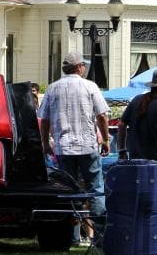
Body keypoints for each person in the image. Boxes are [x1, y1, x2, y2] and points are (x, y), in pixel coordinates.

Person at [38, 51, 110, 237]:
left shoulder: (53, 88)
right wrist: (106, 139)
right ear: (78, 67)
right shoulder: (90, 86)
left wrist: (46, 143)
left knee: (69, 191)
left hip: (64, 148)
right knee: (95, 189)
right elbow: (101, 115)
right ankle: (100, 235)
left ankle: (71, 235)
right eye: (83, 65)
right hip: (87, 146)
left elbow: (44, 119)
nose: (85, 68)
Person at [117, 69, 157, 163]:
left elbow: (122, 125)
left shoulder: (137, 100)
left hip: (133, 157)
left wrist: (122, 150)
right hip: (152, 161)